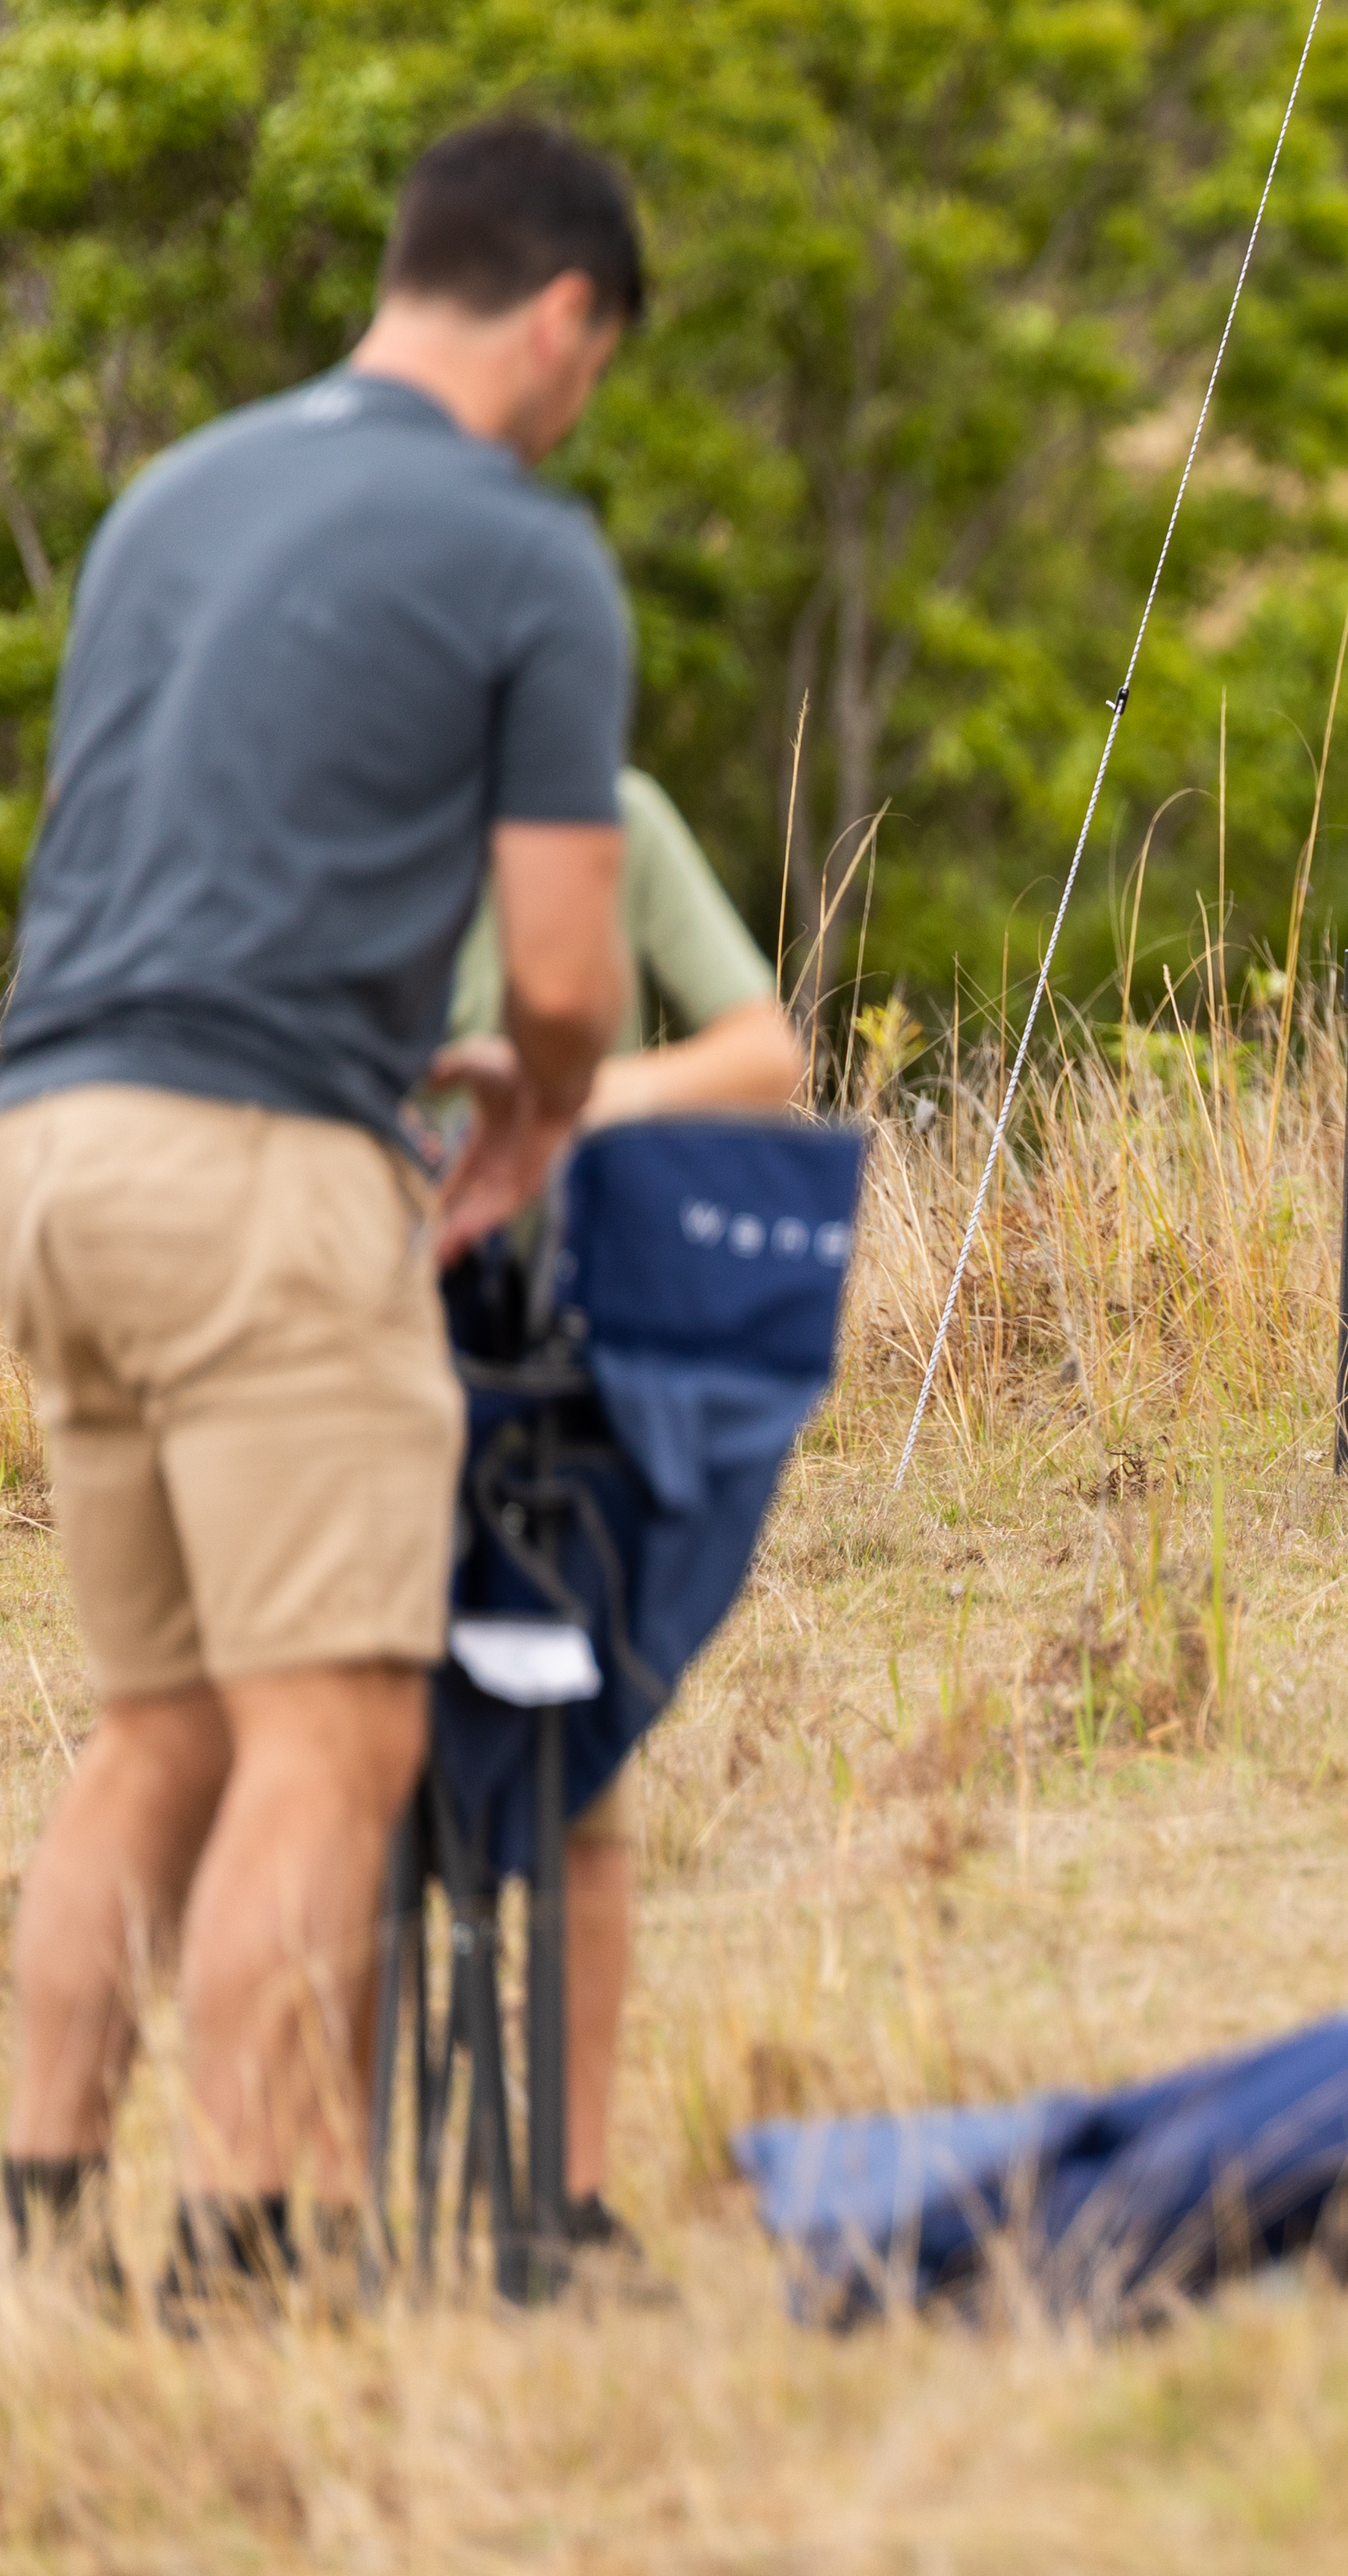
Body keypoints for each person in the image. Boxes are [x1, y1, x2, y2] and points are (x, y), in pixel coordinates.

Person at [0, 119, 640, 2318]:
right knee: (334, 1728)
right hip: (263, 1166)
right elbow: (562, 971)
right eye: (596, 366)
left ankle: (37, 2209)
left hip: (51, 1150)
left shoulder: (174, 494)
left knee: (160, 1722)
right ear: (563, 312)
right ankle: (258, 2248)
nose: (581, 410)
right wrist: (537, 1111)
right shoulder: (521, 547)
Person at [441, 765, 804, 2266]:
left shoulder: (608, 809)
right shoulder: (313, 799)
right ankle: (329, 2201)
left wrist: (580, 1108)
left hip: (553, 1341)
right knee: (343, 1782)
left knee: (581, 1785)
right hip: (341, 1330)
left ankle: (566, 2200)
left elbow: (763, 1049)